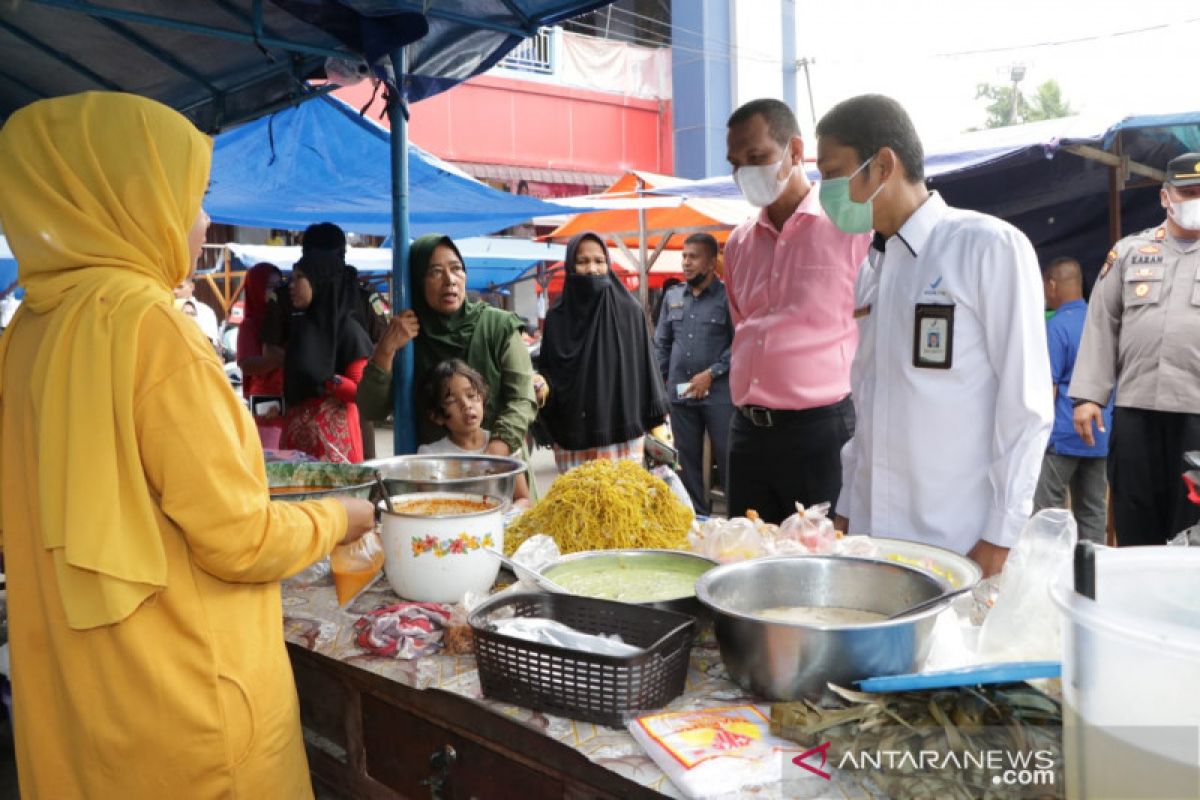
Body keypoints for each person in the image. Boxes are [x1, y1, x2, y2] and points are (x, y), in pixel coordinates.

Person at [0, 91, 375, 799]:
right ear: (131, 196)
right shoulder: (150, 328)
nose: (202, 220)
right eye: (193, 195)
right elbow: (240, 540)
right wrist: (340, 519)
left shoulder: (26, 334)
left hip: (82, 704)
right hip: (187, 710)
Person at [816, 94, 1053, 577]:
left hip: (957, 542)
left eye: (833, 174)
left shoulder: (988, 248)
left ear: (883, 165)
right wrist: (846, 507)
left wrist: (1000, 537)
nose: (826, 192)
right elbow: (867, 402)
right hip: (871, 539)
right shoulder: (871, 270)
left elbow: (1025, 406)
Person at [723, 98, 871, 524]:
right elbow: (742, 325)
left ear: (795, 151)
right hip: (747, 432)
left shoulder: (848, 229)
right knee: (745, 559)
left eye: (757, 157)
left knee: (818, 561)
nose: (744, 172)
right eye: (736, 163)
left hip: (821, 432)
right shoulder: (738, 243)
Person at [1070, 152, 1200, 546]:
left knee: (1193, 531)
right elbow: (1101, 322)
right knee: (1135, 520)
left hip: (1196, 417)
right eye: (1187, 191)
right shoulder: (1129, 252)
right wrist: (1089, 396)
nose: (1195, 200)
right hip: (1136, 414)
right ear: (1166, 197)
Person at [357, 234, 537, 471]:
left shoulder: (499, 327)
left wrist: (494, 452)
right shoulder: (407, 336)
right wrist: (386, 349)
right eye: (435, 272)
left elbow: (522, 399)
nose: (450, 280)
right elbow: (371, 408)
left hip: (504, 472)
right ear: (417, 281)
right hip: (436, 476)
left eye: (456, 269)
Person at [537, 232, 669, 473]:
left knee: (620, 508)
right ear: (570, 265)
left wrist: (657, 421)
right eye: (583, 261)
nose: (592, 269)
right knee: (576, 508)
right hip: (573, 438)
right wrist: (541, 385)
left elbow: (646, 367)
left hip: (622, 438)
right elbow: (549, 374)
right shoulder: (557, 317)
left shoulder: (630, 311)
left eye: (599, 261)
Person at [653, 233, 734, 514]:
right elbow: (661, 345)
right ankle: (696, 518)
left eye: (693, 257)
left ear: (711, 263)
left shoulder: (728, 297)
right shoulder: (673, 297)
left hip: (720, 393)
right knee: (685, 461)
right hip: (680, 392)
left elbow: (741, 343)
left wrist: (712, 373)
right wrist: (659, 389)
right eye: (684, 256)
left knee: (728, 458)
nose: (686, 262)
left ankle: (736, 520)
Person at [1034, 257, 1112, 543]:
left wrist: (1037, 436)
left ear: (1051, 284)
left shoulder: (1056, 327)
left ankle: (1049, 577)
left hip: (1062, 436)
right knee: (1093, 513)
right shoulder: (1103, 322)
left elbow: (1049, 388)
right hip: (1100, 434)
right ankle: (1094, 580)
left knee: (1047, 516)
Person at [279, 251, 373, 463]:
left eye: (299, 278)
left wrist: (327, 380)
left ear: (319, 281)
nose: (291, 286)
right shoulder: (301, 328)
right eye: (290, 279)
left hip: (335, 447)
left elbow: (361, 392)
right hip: (297, 447)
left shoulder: (349, 330)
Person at [418, 359, 530, 507]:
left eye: (471, 395)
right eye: (452, 400)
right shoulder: (431, 456)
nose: (466, 405)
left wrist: (505, 517)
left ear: (482, 397)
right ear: (436, 416)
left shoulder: (502, 447)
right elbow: (427, 506)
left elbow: (524, 499)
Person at [173, 276, 221, 346]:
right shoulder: (165, 308)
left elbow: (211, 342)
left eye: (180, 287)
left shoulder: (205, 311)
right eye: (172, 287)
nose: (175, 291)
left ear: (191, 287)